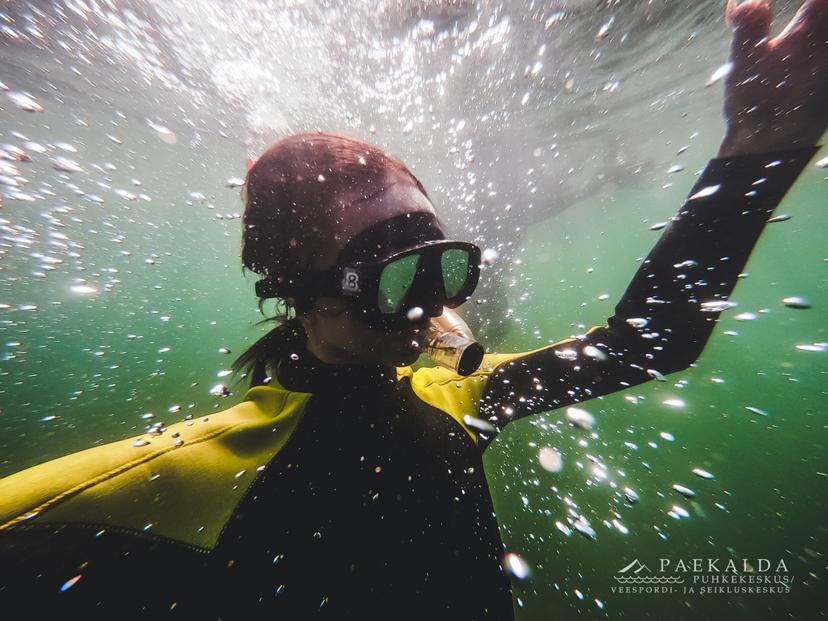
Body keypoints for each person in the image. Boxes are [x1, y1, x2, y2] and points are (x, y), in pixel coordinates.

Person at [0, 1, 825, 618]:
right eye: (398, 273)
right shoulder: (188, 470)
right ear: (302, 291)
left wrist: (760, 152)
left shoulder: (452, 391)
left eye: (445, 262)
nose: (433, 300)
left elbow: (651, 342)